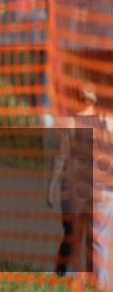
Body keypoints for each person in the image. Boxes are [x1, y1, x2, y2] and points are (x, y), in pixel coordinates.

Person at [48, 83, 112, 287]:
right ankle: (99, 287)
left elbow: (60, 157)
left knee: (72, 238)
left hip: (75, 189)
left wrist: (51, 187)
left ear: (77, 98)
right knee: (99, 244)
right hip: (102, 189)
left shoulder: (71, 123)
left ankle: (62, 282)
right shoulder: (109, 122)